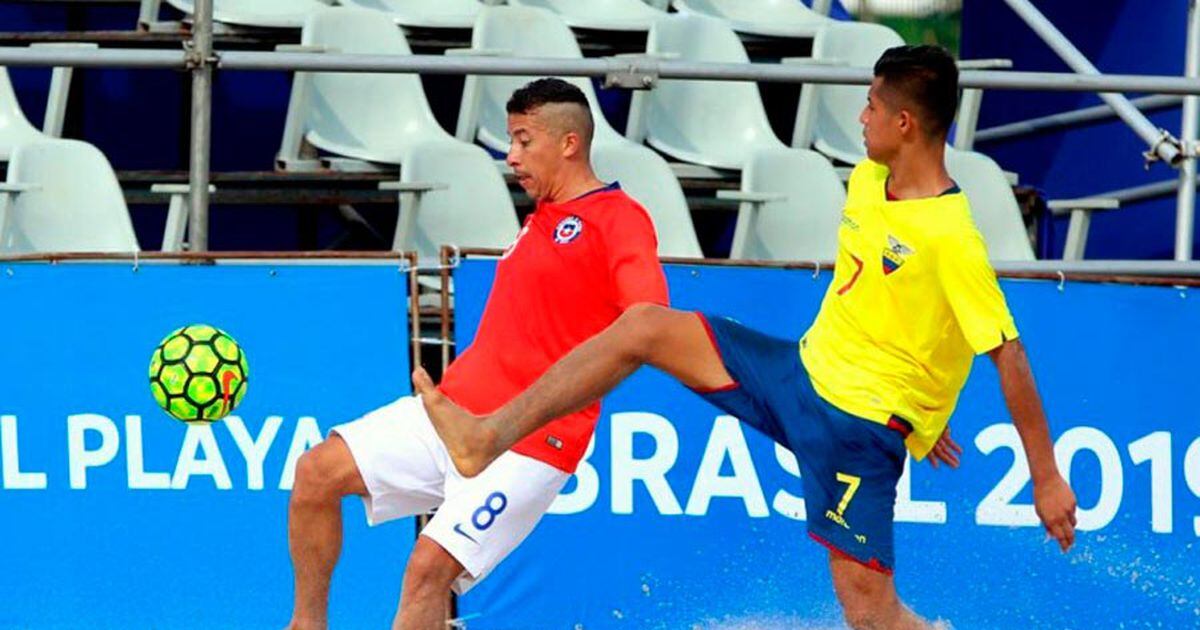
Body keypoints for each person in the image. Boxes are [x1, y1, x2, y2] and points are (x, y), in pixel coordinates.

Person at [415, 46, 1079, 629]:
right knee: (644, 327)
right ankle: (488, 434)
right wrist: (930, 411)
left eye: (873, 107)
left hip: (857, 427)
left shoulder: (952, 238)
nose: (861, 118)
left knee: (870, 615)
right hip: (796, 374)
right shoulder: (872, 177)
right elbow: (889, 305)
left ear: (905, 124)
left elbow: (1007, 354)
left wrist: (1043, 479)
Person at [285, 78, 668, 630]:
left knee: (426, 571)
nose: (510, 156)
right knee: (316, 473)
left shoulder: (619, 217)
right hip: (454, 413)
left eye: (522, 140)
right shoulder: (542, 216)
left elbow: (648, 320)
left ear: (568, 143)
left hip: (531, 442)